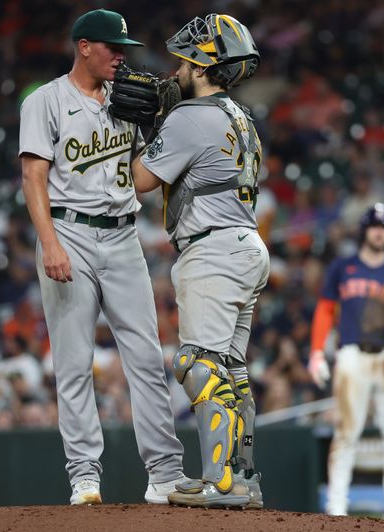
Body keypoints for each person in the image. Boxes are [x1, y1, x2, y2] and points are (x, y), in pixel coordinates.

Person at [18, 8, 185, 506]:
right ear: (84, 46)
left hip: (123, 237)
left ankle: (165, 473)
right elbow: (33, 178)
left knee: (148, 358)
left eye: (125, 49)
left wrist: (174, 139)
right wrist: (49, 242)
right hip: (69, 232)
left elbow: (137, 177)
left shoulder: (125, 98)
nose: (121, 57)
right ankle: (85, 476)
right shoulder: (45, 101)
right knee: (73, 363)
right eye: (113, 48)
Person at [130, 13, 268, 509]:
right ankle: (244, 479)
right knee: (232, 368)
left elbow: (140, 180)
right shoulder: (243, 119)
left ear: (203, 62)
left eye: (184, 60)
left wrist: (145, 129)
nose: (177, 69)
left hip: (212, 250)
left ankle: (220, 483)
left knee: (199, 364)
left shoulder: (189, 117)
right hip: (247, 247)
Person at [307, 203, 384, 516]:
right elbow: (326, 308)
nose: (379, 232)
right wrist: (316, 352)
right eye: (374, 226)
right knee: (346, 430)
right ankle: (337, 501)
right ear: (364, 230)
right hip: (351, 352)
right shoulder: (343, 267)